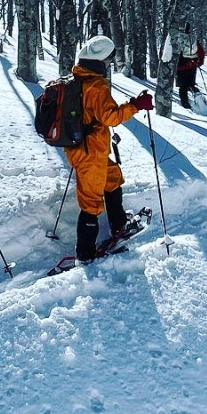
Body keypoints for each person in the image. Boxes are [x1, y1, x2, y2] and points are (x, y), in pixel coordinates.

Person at [68, 35, 152, 263]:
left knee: (113, 177)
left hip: (88, 148)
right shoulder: (95, 86)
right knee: (91, 202)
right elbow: (110, 117)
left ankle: (119, 225)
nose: (108, 64)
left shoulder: (77, 79)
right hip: (89, 152)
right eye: (108, 61)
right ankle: (85, 255)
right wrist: (136, 105)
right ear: (100, 61)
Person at [176, 28, 205, 110]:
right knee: (191, 85)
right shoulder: (193, 39)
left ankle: (185, 105)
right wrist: (199, 62)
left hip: (180, 67)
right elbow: (201, 52)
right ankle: (200, 102)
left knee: (183, 87)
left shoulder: (176, 38)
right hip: (192, 65)